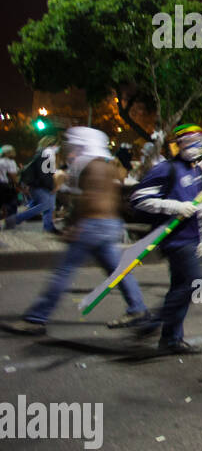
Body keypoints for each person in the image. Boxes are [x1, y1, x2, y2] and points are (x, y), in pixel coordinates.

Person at [2, 127, 154, 336]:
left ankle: (36, 318)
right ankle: (138, 309)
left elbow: (89, 198)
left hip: (92, 225)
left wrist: (76, 224)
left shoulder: (89, 165)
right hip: (108, 225)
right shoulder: (107, 165)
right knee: (118, 272)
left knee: (63, 272)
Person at [129, 125, 202, 355]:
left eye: (199, 142)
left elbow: (200, 206)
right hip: (175, 240)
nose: (196, 147)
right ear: (179, 144)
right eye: (190, 142)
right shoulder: (166, 169)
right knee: (197, 283)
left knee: (180, 288)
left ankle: (171, 339)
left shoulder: (197, 172)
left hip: (192, 239)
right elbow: (138, 198)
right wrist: (174, 207)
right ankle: (153, 323)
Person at [5, 135, 59, 232]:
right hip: (39, 185)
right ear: (51, 144)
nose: (57, 148)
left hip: (38, 184)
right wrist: (51, 186)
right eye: (56, 145)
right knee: (45, 205)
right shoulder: (46, 153)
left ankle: (49, 227)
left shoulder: (41, 153)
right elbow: (44, 173)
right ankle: (14, 219)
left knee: (49, 205)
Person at [0, 144, 19, 222]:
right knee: (11, 204)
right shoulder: (10, 162)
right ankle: (10, 222)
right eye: (13, 151)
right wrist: (18, 184)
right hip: (5, 185)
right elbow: (13, 176)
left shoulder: (1, 161)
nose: (14, 152)